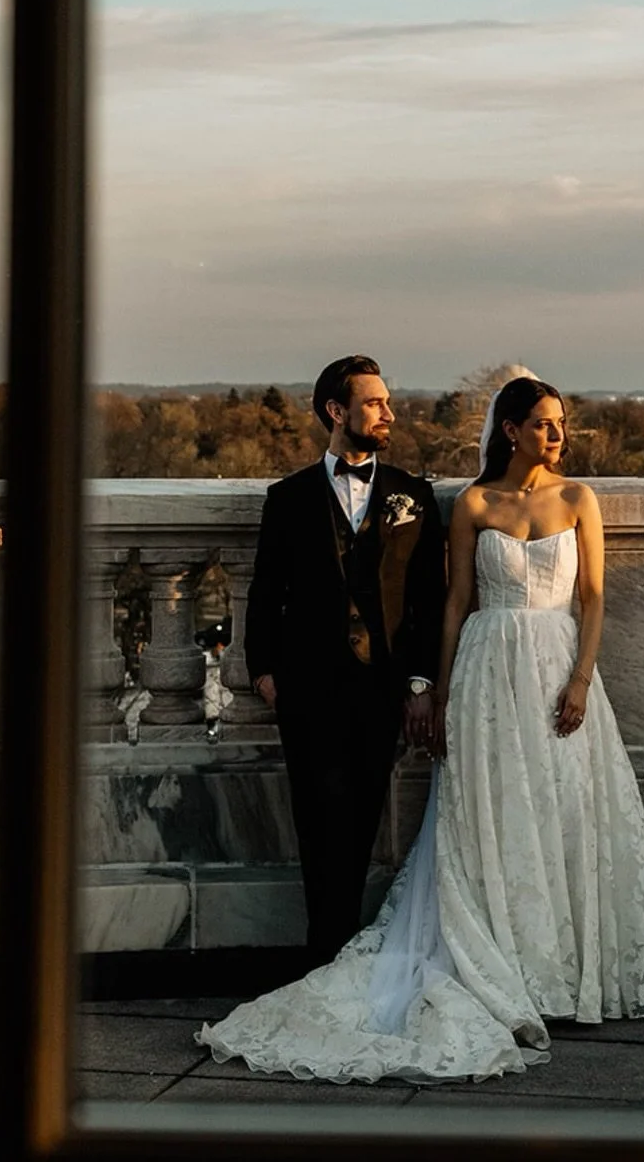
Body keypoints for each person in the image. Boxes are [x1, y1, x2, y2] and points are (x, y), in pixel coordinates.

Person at [199, 371, 644, 1083]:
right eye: (543, 422)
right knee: (484, 817)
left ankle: (567, 965)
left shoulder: (575, 498)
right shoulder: (467, 502)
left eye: (561, 422)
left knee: (568, 811)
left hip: (555, 665)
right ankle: (367, 956)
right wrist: (437, 689)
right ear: (510, 429)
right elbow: (451, 603)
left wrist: (581, 678)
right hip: (481, 673)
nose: (557, 434)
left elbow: (593, 596)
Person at [244, 355, 447, 969]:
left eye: (387, 402)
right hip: (306, 687)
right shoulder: (289, 498)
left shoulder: (415, 496)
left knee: (360, 822)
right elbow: (264, 591)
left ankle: (342, 958)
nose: (389, 413)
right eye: (375, 403)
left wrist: (420, 683)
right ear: (338, 412)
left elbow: (430, 601)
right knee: (315, 823)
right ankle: (322, 958)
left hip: (382, 688)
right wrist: (264, 673)